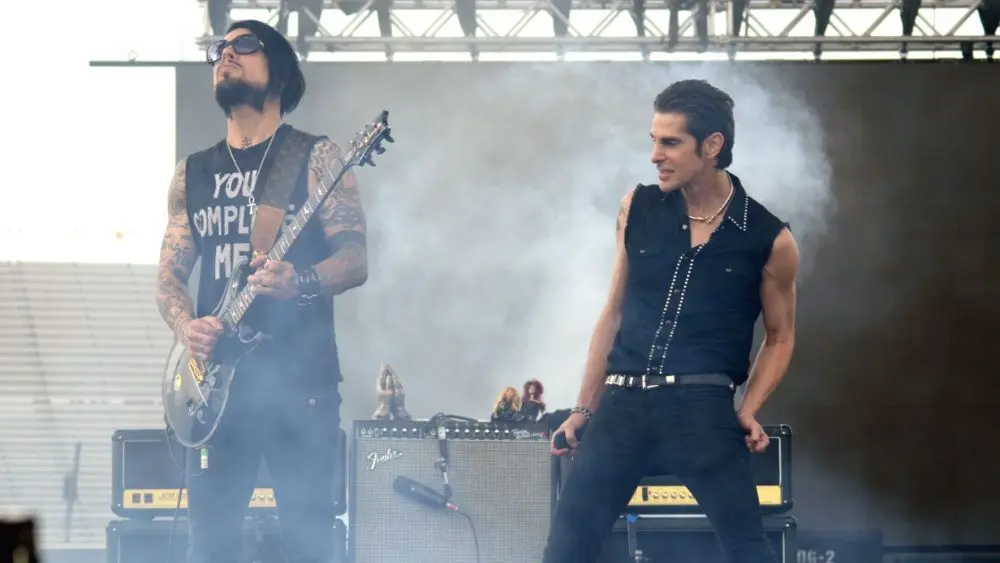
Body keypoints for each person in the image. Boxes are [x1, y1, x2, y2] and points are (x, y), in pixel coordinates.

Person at [545, 79, 799, 563]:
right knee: (565, 549)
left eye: (670, 143)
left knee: (749, 549)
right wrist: (583, 408)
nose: (655, 156)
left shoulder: (770, 237)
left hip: (703, 409)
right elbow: (614, 311)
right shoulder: (637, 206)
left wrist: (747, 409)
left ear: (712, 145)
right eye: (653, 141)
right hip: (622, 405)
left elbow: (781, 337)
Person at [154, 19, 368, 563]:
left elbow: (355, 259)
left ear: (279, 72)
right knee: (210, 546)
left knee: (309, 542)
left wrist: (303, 280)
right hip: (216, 390)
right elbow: (169, 276)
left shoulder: (316, 157)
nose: (226, 54)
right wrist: (187, 327)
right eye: (219, 48)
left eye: (244, 45)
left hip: (301, 384)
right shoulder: (191, 174)